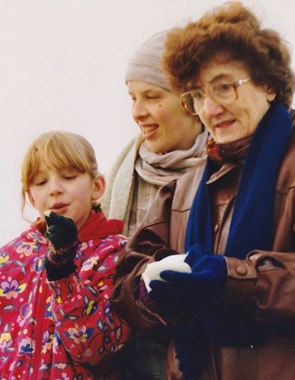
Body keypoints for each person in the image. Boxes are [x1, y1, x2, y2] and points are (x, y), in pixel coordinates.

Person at [111, 2, 295, 379]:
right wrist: (155, 291)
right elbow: (126, 282)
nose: (210, 108)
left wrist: (239, 281)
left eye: (224, 87)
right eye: (197, 95)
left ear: (268, 84)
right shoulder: (183, 188)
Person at [0, 131, 131, 379]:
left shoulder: (115, 255)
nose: (54, 189)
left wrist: (64, 273)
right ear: (31, 196)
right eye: (41, 182)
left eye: (68, 177)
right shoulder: (4, 263)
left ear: (97, 186)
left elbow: (96, 351)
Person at [102, 30, 207, 379]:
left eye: (151, 96)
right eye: (132, 97)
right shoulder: (120, 174)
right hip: (127, 362)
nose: (137, 112)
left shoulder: (232, 170)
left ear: (191, 100)